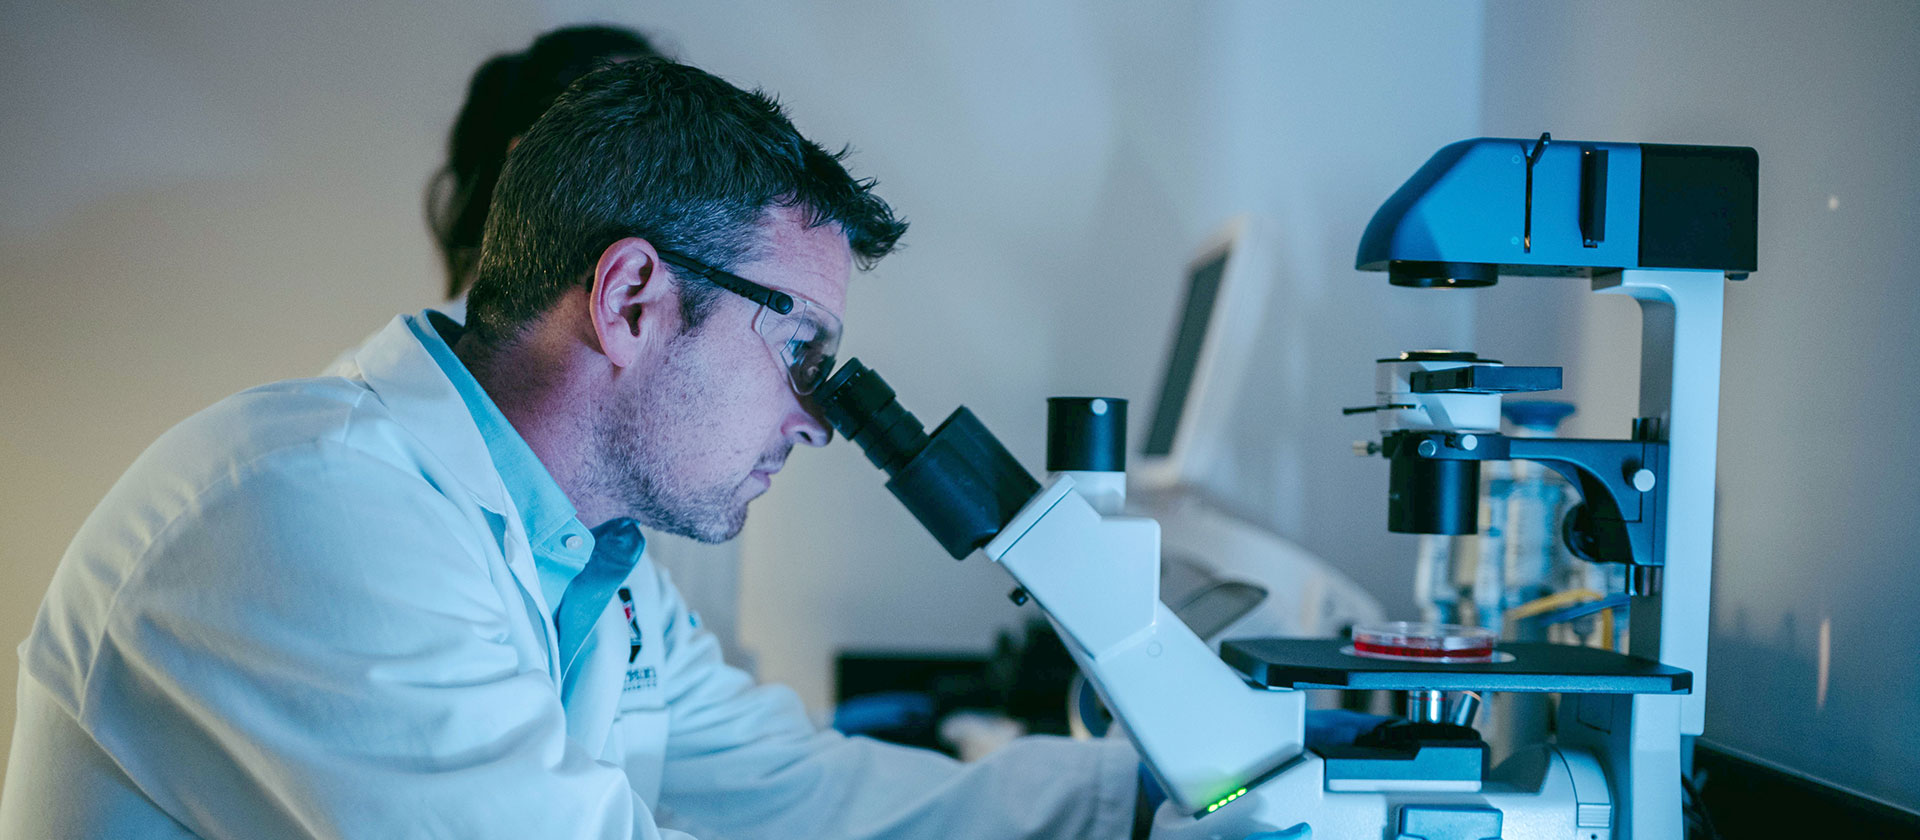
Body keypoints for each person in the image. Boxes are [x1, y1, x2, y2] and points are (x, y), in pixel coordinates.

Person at [0, 59, 1146, 839]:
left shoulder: (594, 561)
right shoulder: (307, 510)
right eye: (799, 349)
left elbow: (803, 790)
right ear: (634, 298)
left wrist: (1143, 799)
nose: (814, 418)